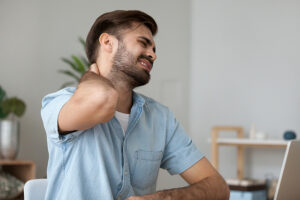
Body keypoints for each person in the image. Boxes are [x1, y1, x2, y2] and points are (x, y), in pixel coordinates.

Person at [41, 10, 230, 200]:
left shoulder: (160, 118)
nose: (153, 55)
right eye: (143, 43)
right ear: (108, 43)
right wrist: (91, 73)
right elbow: (103, 99)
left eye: (154, 50)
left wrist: (162, 198)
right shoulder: (59, 104)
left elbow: (219, 188)